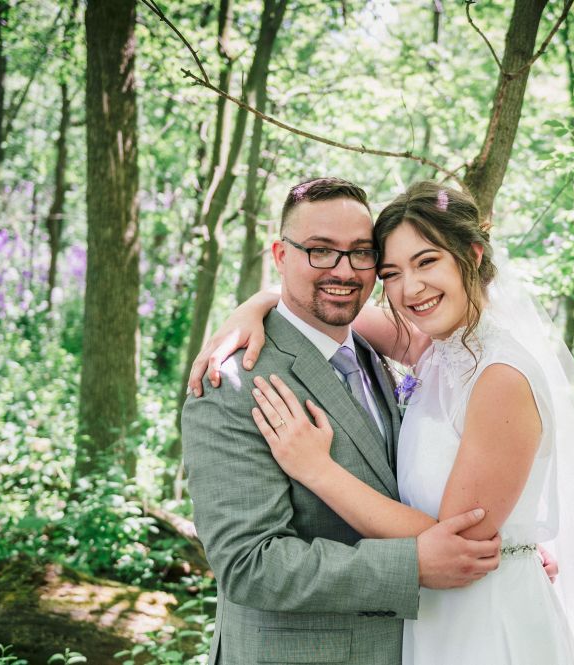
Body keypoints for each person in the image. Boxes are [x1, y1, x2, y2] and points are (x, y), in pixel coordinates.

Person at [193, 181, 574, 664]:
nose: (407, 286)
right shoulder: (429, 350)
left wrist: (318, 470)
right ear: (283, 255)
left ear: (472, 256)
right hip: (422, 625)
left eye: (426, 261)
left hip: (482, 619)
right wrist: (253, 308)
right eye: (391, 272)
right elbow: (315, 306)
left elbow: (456, 543)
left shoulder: (497, 373)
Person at [181, 177, 508, 665]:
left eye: (361, 252)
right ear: (281, 254)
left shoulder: (377, 350)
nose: (344, 270)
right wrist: (412, 564)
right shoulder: (232, 382)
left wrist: (519, 544)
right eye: (320, 250)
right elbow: (249, 565)